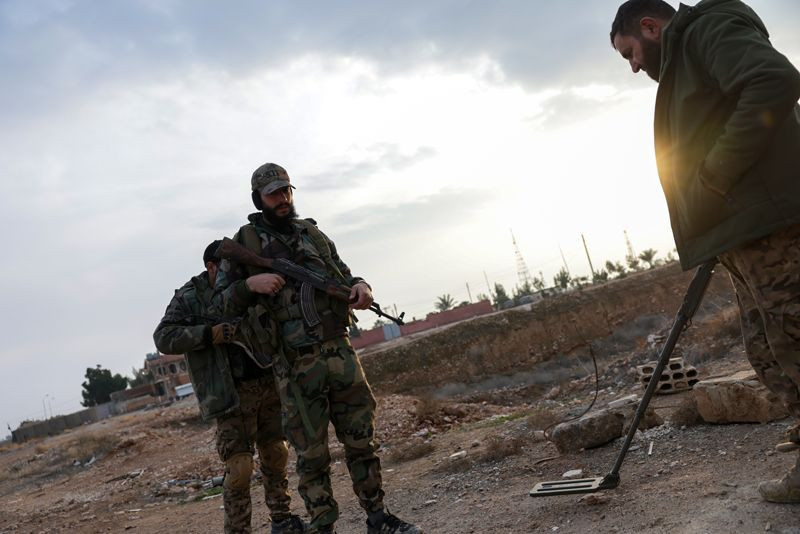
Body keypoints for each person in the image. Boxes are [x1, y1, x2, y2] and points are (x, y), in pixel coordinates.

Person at [610, 0, 800, 502]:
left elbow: (774, 80)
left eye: (630, 52)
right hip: (744, 229)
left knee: (794, 338)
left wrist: (715, 179)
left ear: (650, 27)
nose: (632, 66)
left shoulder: (707, 32)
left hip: (772, 223)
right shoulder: (682, 62)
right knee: (767, 346)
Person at [214, 163, 423, 534]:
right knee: (311, 455)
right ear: (257, 199)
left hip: (340, 354)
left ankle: (378, 517)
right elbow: (219, 307)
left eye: (287, 191)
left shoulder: (312, 233)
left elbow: (343, 274)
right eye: (274, 193)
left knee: (362, 440)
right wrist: (251, 285)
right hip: (295, 367)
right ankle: (323, 525)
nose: (283, 199)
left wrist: (361, 287)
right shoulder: (244, 245)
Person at [153, 241, 308, 533]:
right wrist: (207, 334)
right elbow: (163, 337)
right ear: (211, 267)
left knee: (276, 454)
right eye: (226, 268)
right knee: (239, 469)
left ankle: (283, 520)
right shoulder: (191, 296)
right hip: (229, 394)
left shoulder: (245, 284)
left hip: (266, 382)